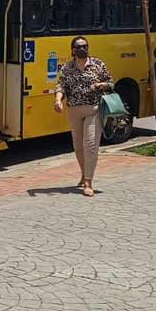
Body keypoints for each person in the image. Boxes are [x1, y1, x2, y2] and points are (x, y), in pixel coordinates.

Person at [54, 36, 113, 197]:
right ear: (73, 50)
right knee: (78, 147)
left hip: (93, 109)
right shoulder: (67, 68)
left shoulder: (98, 64)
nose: (82, 49)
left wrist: (102, 85)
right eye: (79, 47)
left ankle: (88, 182)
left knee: (91, 144)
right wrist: (58, 99)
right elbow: (61, 85)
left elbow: (111, 83)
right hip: (73, 110)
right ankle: (83, 173)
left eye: (85, 46)